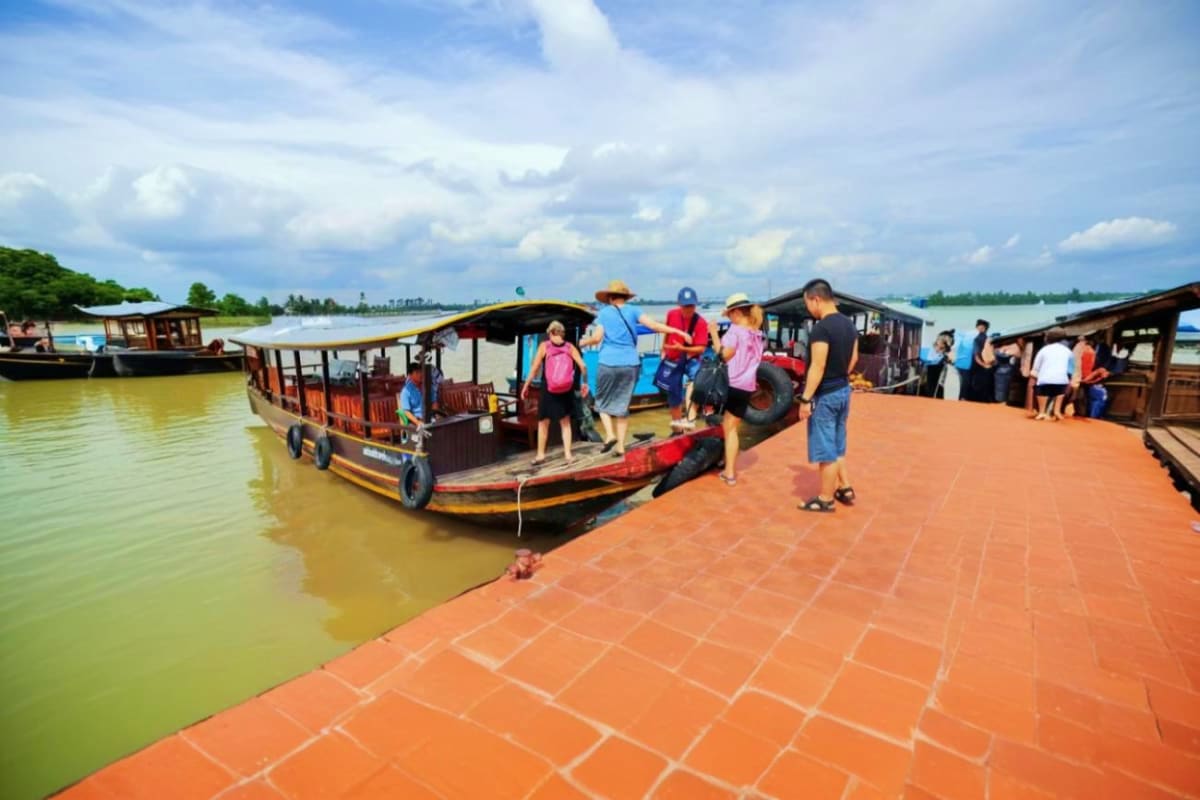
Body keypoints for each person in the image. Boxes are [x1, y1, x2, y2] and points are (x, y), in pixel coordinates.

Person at [578, 279, 692, 457]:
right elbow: (654, 326)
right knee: (623, 406)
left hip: (608, 362)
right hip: (631, 364)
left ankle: (609, 435)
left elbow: (597, 337)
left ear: (609, 297)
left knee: (600, 402)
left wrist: (583, 341)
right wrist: (679, 332)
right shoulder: (634, 311)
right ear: (626, 297)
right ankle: (621, 446)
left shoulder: (605, 313)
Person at [797, 278, 859, 513]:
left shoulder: (822, 329)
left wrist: (805, 399)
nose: (808, 309)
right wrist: (840, 376)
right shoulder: (849, 325)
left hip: (826, 395)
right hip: (843, 389)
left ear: (816, 299)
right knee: (837, 443)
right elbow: (852, 360)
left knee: (826, 449)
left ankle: (826, 498)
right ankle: (845, 487)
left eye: (808, 304)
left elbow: (817, 366)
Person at [521, 321, 589, 467]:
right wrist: (584, 383)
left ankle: (540, 455)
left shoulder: (544, 346)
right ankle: (568, 455)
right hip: (566, 388)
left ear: (551, 332)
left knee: (543, 422)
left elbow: (534, 368)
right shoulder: (570, 347)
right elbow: (583, 366)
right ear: (562, 333)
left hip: (549, 389)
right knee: (565, 423)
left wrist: (526, 385)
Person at [715, 293, 765, 486]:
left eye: (729, 315)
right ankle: (726, 461)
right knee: (732, 427)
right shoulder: (756, 333)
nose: (729, 318)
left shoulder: (735, 331)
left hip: (733, 383)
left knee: (729, 429)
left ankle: (729, 472)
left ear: (735, 313)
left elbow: (723, 356)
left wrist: (713, 334)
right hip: (747, 385)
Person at [661, 286, 710, 433]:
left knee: (695, 383)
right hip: (673, 357)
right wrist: (663, 349)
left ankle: (690, 419)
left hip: (691, 358)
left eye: (691, 306)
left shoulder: (701, 322)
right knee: (672, 392)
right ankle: (677, 429)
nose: (688, 309)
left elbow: (701, 348)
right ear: (679, 304)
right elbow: (666, 331)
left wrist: (683, 349)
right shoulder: (671, 314)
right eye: (685, 306)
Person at [1031, 328, 1074, 421]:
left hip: (1044, 381)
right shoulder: (1068, 351)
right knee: (1060, 390)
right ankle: (1057, 411)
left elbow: (1035, 368)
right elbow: (1070, 370)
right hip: (1062, 383)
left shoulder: (1043, 350)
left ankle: (1042, 412)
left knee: (1040, 386)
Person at [967, 319, 992, 402]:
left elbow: (976, 356)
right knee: (983, 386)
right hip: (986, 365)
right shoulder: (989, 339)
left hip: (977, 366)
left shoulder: (977, 339)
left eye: (979, 327)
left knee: (975, 386)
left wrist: (983, 365)